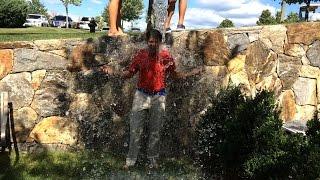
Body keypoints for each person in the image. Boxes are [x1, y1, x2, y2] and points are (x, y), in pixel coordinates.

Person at [100, 29, 204, 170]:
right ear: (147, 42)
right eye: (150, 42)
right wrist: (113, 71)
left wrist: (193, 72)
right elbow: (128, 74)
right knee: (135, 130)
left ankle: (152, 161)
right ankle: (130, 161)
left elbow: (175, 75)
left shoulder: (166, 57)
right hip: (141, 96)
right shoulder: (140, 56)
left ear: (160, 42)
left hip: (159, 97)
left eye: (155, 42)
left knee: (156, 130)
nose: (152, 44)